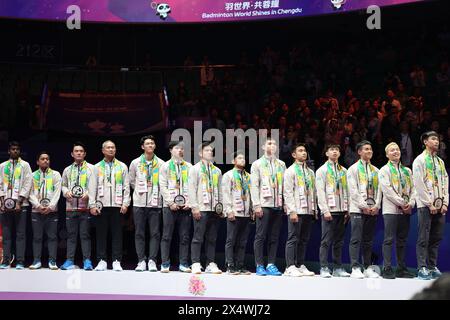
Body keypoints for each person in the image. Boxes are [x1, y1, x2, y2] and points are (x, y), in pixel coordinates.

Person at [90, 141, 131, 272]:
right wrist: (92, 205)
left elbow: (126, 187)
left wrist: (125, 203)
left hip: (117, 206)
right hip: (101, 206)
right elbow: (92, 187)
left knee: (117, 234)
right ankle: (101, 260)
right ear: (103, 150)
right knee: (101, 234)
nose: (111, 149)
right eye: (108, 147)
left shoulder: (122, 166)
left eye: (113, 147)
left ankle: (116, 260)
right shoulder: (96, 167)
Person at [413, 131, 448, 280]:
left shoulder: (440, 162)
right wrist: (429, 203)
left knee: (436, 238)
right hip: (426, 206)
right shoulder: (419, 160)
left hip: (440, 207)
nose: (437, 142)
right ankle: (422, 267)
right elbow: (419, 183)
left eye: (438, 139)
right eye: (433, 139)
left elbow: (445, 182)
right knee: (423, 238)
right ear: (425, 142)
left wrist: (445, 202)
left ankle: (432, 266)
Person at [379, 142, 416, 279]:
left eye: (397, 149)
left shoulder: (407, 171)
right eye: (392, 150)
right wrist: (402, 203)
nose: (395, 152)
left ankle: (401, 268)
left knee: (402, 240)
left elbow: (414, 189)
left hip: (405, 210)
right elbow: (387, 190)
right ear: (387, 154)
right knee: (388, 239)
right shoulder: (384, 170)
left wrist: (411, 203)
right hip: (391, 210)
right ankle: (387, 268)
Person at [250, 138, 286, 276]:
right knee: (260, 236)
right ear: (263, 146)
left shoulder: (281, 164)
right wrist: (256, 205)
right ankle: (259, 265)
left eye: (275, 144)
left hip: (277, 204)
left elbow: (285, 185)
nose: (273, 146)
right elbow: (254, 185)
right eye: (269, 143)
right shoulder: (257, 164)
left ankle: (271, 264)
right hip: (264, 205)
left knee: (274, 236)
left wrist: (285, 203)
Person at [129, 135, 165, 272]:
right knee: (139, 232)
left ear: (155, 146)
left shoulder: (161, 164)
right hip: (139, 203)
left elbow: (163, 183)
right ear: (142, 147)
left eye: (152, 143)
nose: (150, 145)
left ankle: (152, 261)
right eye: (147, 143)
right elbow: (132, 181)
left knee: (155, 233)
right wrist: (141, 190)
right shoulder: (135, 163)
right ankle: (141, 260)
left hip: (155, 203)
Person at [347, 140, 382, 279]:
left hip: (372, 210)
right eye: (366, 149)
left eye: (371, 149)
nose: (369, 151)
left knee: (368, 240)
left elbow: (380, 190)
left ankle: (367, 267)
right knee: (356, 239)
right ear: (359, 152)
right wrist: (364, 206)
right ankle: (355, 267)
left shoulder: (376, 171)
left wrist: (376, 206)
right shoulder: (353, 169)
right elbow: (353, 191)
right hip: (357, 210)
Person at [60, 142, 97, 270]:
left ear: (85, 153)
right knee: (71, 235)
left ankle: (87, 261)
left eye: (81, 151)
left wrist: (88, 194)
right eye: (76, 151)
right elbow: (63, 185)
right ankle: (69, 260)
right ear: (72, 154)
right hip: (70, 207)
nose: (79, 153)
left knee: (85, 235)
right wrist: (66, 192)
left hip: (85, 207)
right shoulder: (67, 170)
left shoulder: (92, 169)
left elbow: (95, 186)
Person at [188, 141, 223, 274]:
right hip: (201, 208)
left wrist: (221, 208)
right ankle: (195, 262)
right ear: (200, 153)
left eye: (211, 150)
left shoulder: (217, 171)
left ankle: (210, 263)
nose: (210, 152)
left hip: (214, 209)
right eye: (207, 150)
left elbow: (220, 191)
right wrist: (194, 207)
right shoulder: (195, 169)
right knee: (198, 237)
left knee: (212, 238)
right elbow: (191, 189)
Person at [316, 144, 350, 278]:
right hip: (329, 210)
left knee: (339, 241)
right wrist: (325, 210)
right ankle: (324, 267)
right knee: (326, 240)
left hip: (342, 210)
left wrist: (348, 209)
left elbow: (347, 191)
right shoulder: (322, 170)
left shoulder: (344, 171)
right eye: (332, 150)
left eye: (337, 150)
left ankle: (337, 267)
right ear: (326, 153)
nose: (335, 152)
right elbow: (320, 191)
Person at [283, 143, 316, 277]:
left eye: (305, 151)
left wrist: (314, 210)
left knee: (303, 239)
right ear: (294, 155)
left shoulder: (310, 172)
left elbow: (313, 192)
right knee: (293, 238)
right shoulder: (290, 171)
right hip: (296, 210)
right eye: (300, 151)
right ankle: (289, 266)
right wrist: (292, 210)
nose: (304, 153)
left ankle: (300, 264)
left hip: (308, 210)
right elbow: (287, 192)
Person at [159, 141, 192, 273]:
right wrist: (170, 202)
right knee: (167, 236)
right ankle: (165, 263)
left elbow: (193, 186)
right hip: (169, 206)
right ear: (171, 150)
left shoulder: (189, 167)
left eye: (182, 149)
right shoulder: (165, 166)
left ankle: (183, 263)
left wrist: (189, 202)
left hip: (185, 207)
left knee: (184, 237)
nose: (180, 151)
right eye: (177, 148)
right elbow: (162, 186)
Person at [0, 141, 32, 270]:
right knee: (6, 234)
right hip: (4, 205)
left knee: (20, 234)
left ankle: (20, 261)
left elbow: (27, 183)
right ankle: (6, 260)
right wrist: (2, 202)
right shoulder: (2, 166)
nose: (15, 151)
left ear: (19, 151)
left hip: (21, 205)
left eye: (17, 149)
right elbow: (0, 184)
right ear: (9, 151)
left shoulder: (25, 165)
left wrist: (19, 202)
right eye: (13, 149)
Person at [28, 152, 62, 270]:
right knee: (37, 237)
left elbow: (57, 192)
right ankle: (36, 260)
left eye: (47, 159)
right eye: (43, 159)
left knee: (52, 237)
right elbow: (30, 192)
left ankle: (52, 261)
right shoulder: (32, 175)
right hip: (36, 211)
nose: (45, 161)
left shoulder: (56, 174)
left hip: (52, 212)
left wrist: (51, 207)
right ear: (38, 162)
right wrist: (37, 205)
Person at [222, 151, 252, 275]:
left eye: (244, 158)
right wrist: (228, 210)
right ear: (233, 161)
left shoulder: (248, 176)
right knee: (231, 240)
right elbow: (225, 193)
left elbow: (250, 195)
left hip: (245, 213)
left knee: (243, 241)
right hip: (234, 212)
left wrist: (251, 210)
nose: (243, 160)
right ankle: (229, 264)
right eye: (239, 158)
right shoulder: (228, 175)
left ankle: (240, 264)